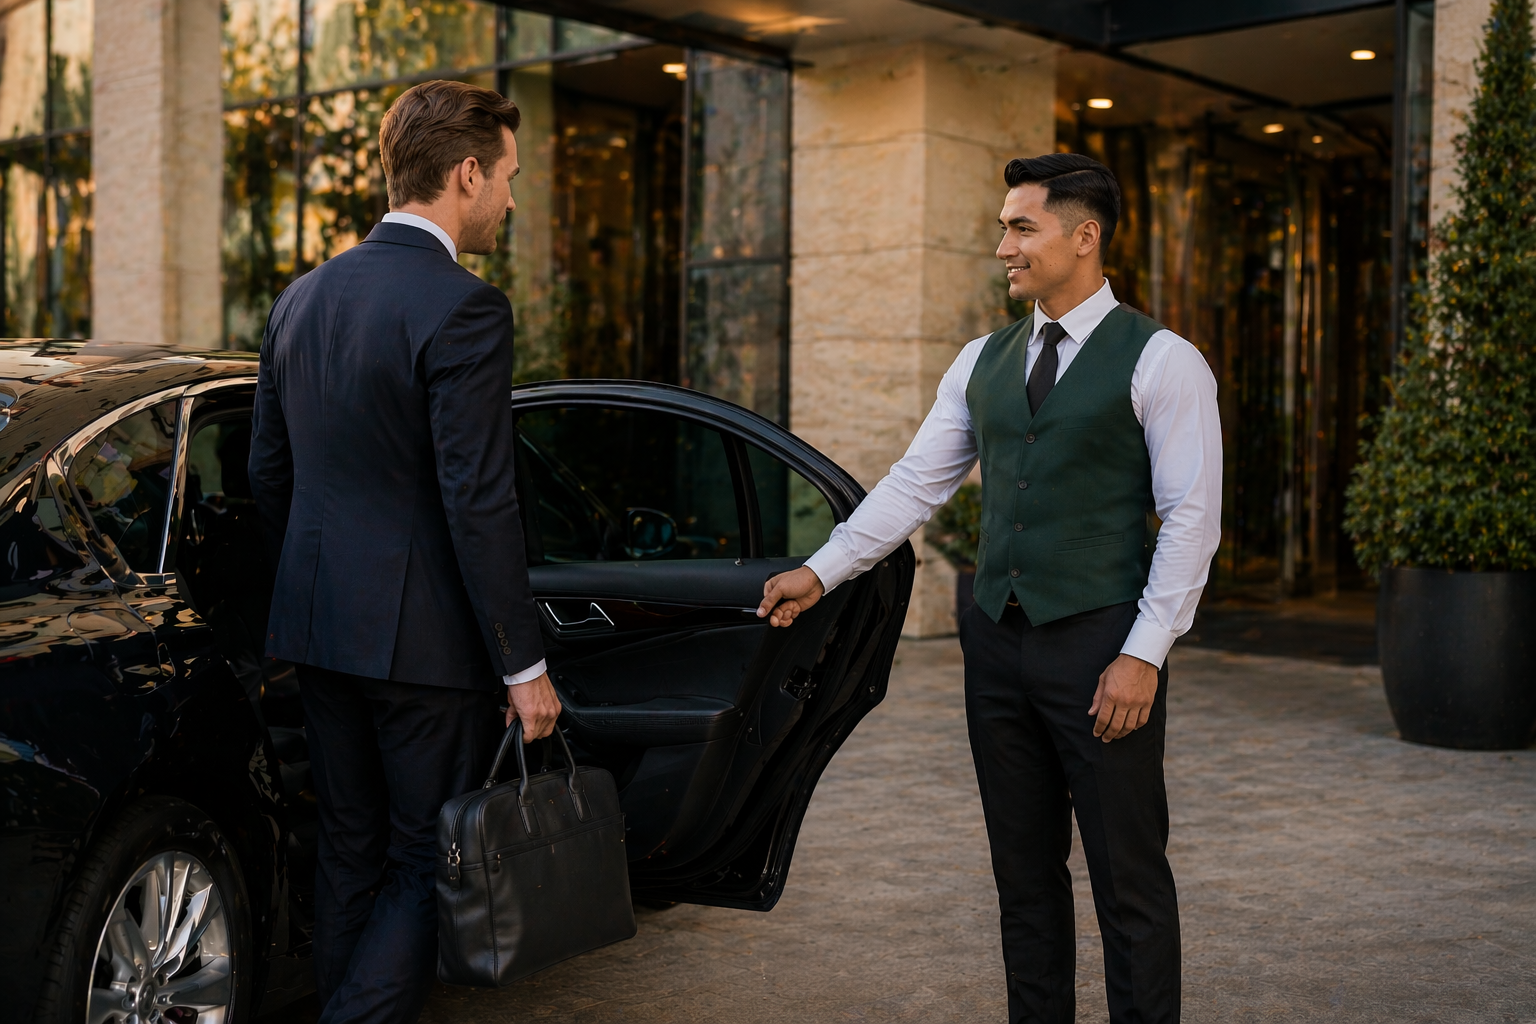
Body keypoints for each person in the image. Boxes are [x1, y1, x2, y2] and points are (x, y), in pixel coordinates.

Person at [758, 153, 1221, 1024]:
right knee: (1022, 875)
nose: (1001, 246)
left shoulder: (1162, 361)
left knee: (1130, 880)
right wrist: (821, 569)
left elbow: (1191, 522)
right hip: (998, 645)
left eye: (1021, 227)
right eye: (1003, 226)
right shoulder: (983, 359)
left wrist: (1143, 655)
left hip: (1101, 649)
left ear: (1084, 237)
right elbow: (914, 484)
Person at [248, 80, 561, 1024]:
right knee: (428, 859)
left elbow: (270, 474)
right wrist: (525, 664)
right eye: (508, 176)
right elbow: (479, 499)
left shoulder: (299, 299)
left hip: (316, 625)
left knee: (350, 848)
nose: (512, 197)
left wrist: (313, 583)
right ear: (466, 173)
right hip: (424, 647)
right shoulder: (465, 306)